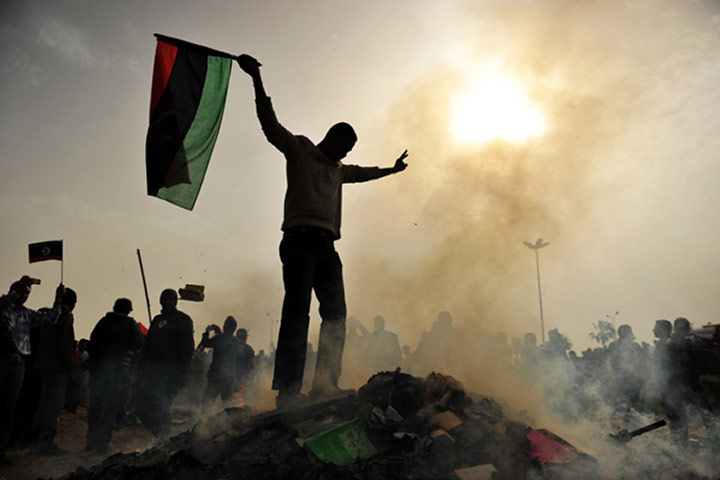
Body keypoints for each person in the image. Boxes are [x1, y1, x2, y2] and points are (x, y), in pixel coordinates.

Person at [237, 54, 409, 408]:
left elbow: (362, 173)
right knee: (296, 312)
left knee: (336, 314)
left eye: (350, 150)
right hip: (299, 241)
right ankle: (288, 390)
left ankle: (325, 384)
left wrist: (391, 170)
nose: (347, 153)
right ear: (332, 138)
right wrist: (256, 79)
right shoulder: (300, 150)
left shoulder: (340, 169)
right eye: (345, 145)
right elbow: (270, 126)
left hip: (326, 247)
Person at [0, 276, 64, 464]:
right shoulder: (5, 309)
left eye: (27, 293)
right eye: (22, 291)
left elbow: (51, 318)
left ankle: (1, 448)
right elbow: (2, 304)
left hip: (19, 363)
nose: (25, 296)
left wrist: (57, 299)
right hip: (3, 358)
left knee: (8, 409)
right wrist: (16, 290)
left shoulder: (28, 314)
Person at [133, 289, 194, 437]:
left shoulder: (183, 320)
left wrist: (182, 372)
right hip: (153, 372)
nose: (167, 302)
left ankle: (164, 438)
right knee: (140, 405)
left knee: (162, 405)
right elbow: (148, 345)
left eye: (170, 299)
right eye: (165, 299)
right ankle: (159, 434)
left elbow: (187, 349)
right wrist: (139, 365)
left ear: (175, 301)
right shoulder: (156, 320)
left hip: (172, 372)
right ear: (160, 301)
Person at [86, 298, 143, 453]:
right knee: (110, 407)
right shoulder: (131, 325)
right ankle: (102, 444)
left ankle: (91, 442)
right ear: (129, 310)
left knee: (97, 406)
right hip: (118, 373)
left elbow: (93, 340)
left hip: (100, 371)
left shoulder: (104, 322)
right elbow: (139, 343)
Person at [31, 288, 78, 456]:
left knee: (44, 403)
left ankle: (36, 441)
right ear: (72, 304)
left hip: (44, 365)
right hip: (57, 368)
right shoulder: (64, 317)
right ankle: (45, 442)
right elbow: (65, 345)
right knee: (53, 406)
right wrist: (73, 368)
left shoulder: (48, 316)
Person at [663, 317, 719, 452]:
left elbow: (693, 365)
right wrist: (683, 385)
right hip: (681, 387)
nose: (682, 330)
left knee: (706, 415)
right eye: (679, 328)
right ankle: (681, 451)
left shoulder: (687, 343)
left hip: (691, 385)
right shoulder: (673, 345)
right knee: (687, 419)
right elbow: (673, 368)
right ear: (676, 329)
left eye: (684, 328)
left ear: (687, 329)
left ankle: (714, 446)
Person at [199, 316, 239, 409]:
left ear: (226, 326)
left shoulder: (219, 338)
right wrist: (218, 330)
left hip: (216, 376)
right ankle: (228, 422)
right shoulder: (235, 341)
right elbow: (225, 339)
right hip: (230, 377)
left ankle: (203, 420)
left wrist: (206, 332)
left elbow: (205, 343)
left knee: (207, 402)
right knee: (227, 404)